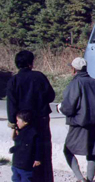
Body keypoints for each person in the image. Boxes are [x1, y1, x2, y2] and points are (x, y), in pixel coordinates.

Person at [6, 50, 55, 182]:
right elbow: (51, 96)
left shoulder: (14, 81)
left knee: (25, 153)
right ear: (30, 63)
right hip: (41, 121)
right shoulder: (39, 77)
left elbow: (11, 105)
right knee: (42, 153)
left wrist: (14, 124)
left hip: (23, 124)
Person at [58, 58, 95, 182]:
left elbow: (69, 106)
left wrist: (61, 108)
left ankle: (80, 178)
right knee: (92, 153)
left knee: (67, 150)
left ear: (74, 69)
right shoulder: (94, 82)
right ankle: (89, 180)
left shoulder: (75, 83)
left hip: (80, 124)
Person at [10, 110, 42, 182]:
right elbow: (17, 143)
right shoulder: (20, 132)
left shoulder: (33, 133)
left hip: (26, 165)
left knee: (26, 179)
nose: (17, 123)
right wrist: (12, 149)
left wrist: (37, 159)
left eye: (18, 121)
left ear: (25, 121)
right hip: (16, 164)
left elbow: (38, 147)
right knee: (15, 179)